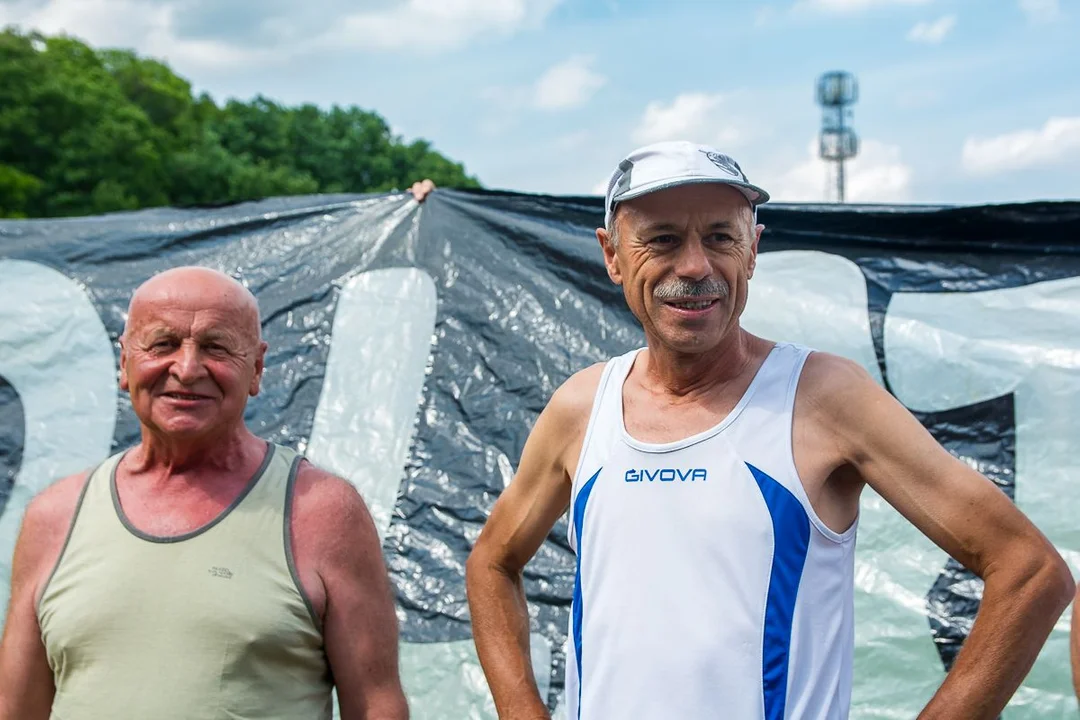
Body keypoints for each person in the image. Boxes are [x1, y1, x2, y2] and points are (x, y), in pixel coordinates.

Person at [465, 140, 1074, 719]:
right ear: (612, 255)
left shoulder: (824, 398)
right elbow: (492, 562)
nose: (696, 266)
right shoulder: (582, 406)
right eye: (663, 240)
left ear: (753, 249)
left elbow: (1030, 573)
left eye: (721, 237)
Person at [0, 267, 409, 720]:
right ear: (124, 363)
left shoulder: (322, 511)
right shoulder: (56, 516)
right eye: (162, 344)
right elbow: (16, 709)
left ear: (256, 368)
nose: (187, 368)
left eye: (216, 347)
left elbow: (376, 706)